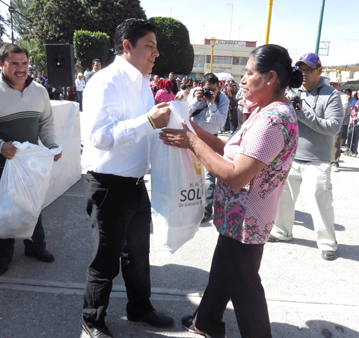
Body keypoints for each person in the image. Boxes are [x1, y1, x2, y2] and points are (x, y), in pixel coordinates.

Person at [160, 44, 301, 338]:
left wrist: (192, 143)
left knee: (245, 287)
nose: (243, 80)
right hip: (238, 216)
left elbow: (236, 175)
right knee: (223, 269)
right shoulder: (266, 111)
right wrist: (194, 130)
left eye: (250, 73)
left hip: (246, 219)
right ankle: (207, 321)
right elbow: (234, 151)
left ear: (271, 77)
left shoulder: (273, 120)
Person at [81, 18, 173, 338]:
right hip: (107, 184)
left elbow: (147, 135)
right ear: (127, 46)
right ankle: (93, 320)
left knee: (138, 253)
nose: (156, 53)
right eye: (149, 46)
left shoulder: (143, 84)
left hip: (135, 184)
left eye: (156, 47)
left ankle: (139, 308)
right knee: (105, 259)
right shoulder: (104, 82)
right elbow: (99, 137)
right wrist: (148, 120)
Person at [0, 43, 62, 277]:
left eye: (25, 63)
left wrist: (50, 144)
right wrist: (0, 147)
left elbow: (46, 124)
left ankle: (35, 247)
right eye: (14, 63)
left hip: (29, 166)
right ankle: (2, 256)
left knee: (32, 206)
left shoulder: (39, 91)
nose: (21, 68)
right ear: (1, 65)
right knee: (2, 212)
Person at [269, 52, 343, 261]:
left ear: (320, 70)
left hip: (317, 160)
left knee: (320, 201)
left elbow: (333, 127)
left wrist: (302, 113)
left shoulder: (331, 95)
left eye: (309, 69)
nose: (304, 74)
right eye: (300, 69)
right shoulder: (292, 92)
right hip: (291, 157)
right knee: (283, 198)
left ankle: (328, 242)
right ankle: (283, 231)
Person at [188, 73, 229, 223]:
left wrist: (212, 104)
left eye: (213, 90)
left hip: (211, 137)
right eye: (207, 89)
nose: (210, 93)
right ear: (201, 87)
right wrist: (196, 101)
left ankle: (206, 210)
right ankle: (191, 205)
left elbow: (220, 123)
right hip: (193, 136)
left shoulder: (223, 100)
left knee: (208, 175)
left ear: (219, 88)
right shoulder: (194, 94)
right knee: (190, 172)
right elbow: (185, 114)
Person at [329, 79, 350, 171]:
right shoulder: (324, 94)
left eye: (335, 84)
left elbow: (343, 108)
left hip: (337, 121)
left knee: (335, 141)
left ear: (338, 85)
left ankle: (334, 162)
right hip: (323, 120)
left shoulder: (344, 96)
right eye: (331, 84)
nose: (333, 86)